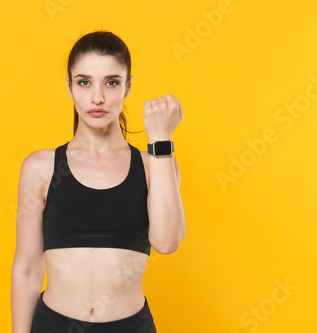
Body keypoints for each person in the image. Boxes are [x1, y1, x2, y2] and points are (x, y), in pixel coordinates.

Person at [11, 30, 186, 333]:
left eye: (112, 82)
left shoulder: (153, 165)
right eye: (84, 82)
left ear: (128, 86)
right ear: (69, 87)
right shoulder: (41, 167)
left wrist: (161, 140)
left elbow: (167, 242)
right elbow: (27, 269)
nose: (97, 97)